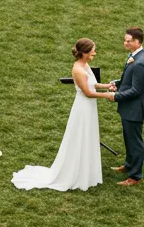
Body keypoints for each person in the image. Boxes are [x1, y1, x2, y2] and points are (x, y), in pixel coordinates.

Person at [11, 39, 114, 192]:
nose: (95, 53)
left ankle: (86, 169)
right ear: (85, 53)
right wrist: (109, 95)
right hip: (83, 107)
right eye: (93, 50)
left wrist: (107, 85)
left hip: (89, 107)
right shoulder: (78, 69)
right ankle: (76, 171)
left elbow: (93, 84)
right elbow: (87, 92)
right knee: (80, 136)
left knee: (88, 135)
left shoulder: (85, 65)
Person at [109, 26, 144, 186]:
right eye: (125, 40)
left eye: (129, 41)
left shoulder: (140, 62)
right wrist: (116, 83)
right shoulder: (134, 56)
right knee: (128, 138)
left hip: (134, 109)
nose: (125, 43)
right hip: (129, 109)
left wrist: (116, 96)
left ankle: (135, 176)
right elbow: (129, 80)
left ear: (138, 42)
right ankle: (128, 164)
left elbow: (136, 90)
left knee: (135, 142)